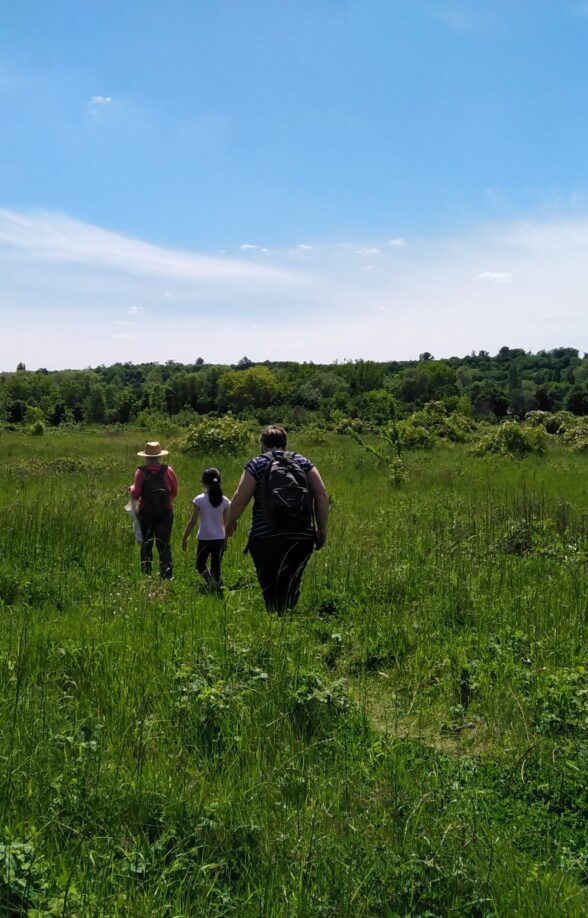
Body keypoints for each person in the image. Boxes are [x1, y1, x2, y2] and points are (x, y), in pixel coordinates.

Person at [225, 424, 329, 613]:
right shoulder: (303, 462)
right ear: (285, 443)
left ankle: (275, 620)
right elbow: (321, 494)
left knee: (269, 583)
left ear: (263, 444)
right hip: (300, 535)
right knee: (292, 581)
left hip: (265, 536)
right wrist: (321, 529)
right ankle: (288, 616)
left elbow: (240, 499)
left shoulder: (256, 463)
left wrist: (231, 522)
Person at [129, 441, 177, 579]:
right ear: (159, 456)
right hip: (165, 513)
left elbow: (136, 495)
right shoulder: (168, 470)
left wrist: (131, 488)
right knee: (164, 544)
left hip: (146, 514)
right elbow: (174, 491)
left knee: (147, 544)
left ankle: (146, 575)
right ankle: (167, 575)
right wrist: (165, 502)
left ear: (146, 457)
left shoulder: (141, 472)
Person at [182, 467, 230, 591]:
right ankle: (217, 586)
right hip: (219, 538)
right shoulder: (224, 501)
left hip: (204, 538)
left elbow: (192, 522)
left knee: (200, 564)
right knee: (216, 567)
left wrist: (185, 538)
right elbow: (226, 523)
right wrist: (226, 541)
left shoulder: (199, 500)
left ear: (203, 482)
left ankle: (210, 582)